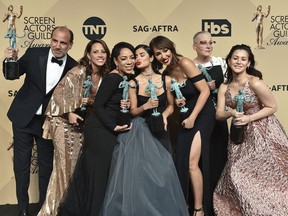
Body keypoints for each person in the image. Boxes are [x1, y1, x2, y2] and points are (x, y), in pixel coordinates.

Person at [99, 44, 189, 216]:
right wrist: (146, 105)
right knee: (141, 179)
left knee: (164, 175)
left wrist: (164, 115)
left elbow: (171, 106)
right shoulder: (133, 82)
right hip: (140, 133)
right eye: (135, 56)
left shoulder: (167, 80)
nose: (137, 59)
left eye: (141, 55)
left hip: (161, 131)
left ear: (151, 57)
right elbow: (133, 111)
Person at [2, 26, 77, 216]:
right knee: (21, 166)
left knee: (46, 167)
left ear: (70, 45)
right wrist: (10, 59)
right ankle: (22, 210)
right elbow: (12, 75)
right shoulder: (34, 53)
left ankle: (45, 208)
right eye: (55, 40)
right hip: (23, 118)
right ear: (51, 39)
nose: (57, 46)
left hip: (49, 123)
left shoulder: (74, 67)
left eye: (63, 43)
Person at [57, 42, 134, 216]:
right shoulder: (113, 78)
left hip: (105, 129)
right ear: (116, 61)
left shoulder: (122, 78)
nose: (129, 61)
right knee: (99, 177)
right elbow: (99, 106)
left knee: (102, 176)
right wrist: (113, 126)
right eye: (124, 58)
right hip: (100, 130)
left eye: (132, 57)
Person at [37, 39, 110, 216]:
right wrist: (68, 113)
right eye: (95, 52)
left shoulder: (105, 75)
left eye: (103, 52)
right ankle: (57, 209)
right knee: (66, 168)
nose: (100, 55)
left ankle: (74, 207)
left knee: (78, 168)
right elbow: (57, 98)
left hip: (83, 125)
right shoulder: (78, 72)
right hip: (63, 123)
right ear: (88, 55)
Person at [213, 44, 288, 215]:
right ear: (229, 60)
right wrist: (230, 112)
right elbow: (219, 114)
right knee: (237, 174)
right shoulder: (224, 87)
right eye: (235, 58)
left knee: (266, 176)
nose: (238, 62)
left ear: (249, 63)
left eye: (243, 59)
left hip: (263, 132)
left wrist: (248, 118)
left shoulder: (254, 82)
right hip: (239, 135)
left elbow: (272, 106)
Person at [150, 36, 215, 216]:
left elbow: (205, 91)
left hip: (202, 115)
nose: (163, 56)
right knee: (181, 161)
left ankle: (199, 208)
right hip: (186, 117)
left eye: (165, 50)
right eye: (158, 54)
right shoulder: (166, 75)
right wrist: (170, 110)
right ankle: (184, 204)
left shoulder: (185, 62)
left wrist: (193, 117)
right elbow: (172, 105)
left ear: (171, 48)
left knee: (192, 163)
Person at [192, 31, 229, 214]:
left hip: (219, 118)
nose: (208, 46)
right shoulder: (190, 66)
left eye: (210, 42)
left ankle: (220, 205)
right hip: (200, 119)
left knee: (219, 160)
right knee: (199, 162)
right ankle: (201, 204)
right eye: (203, 43)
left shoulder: (221, 63)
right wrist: (203, 88)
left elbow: (231, 87)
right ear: (195, 46)